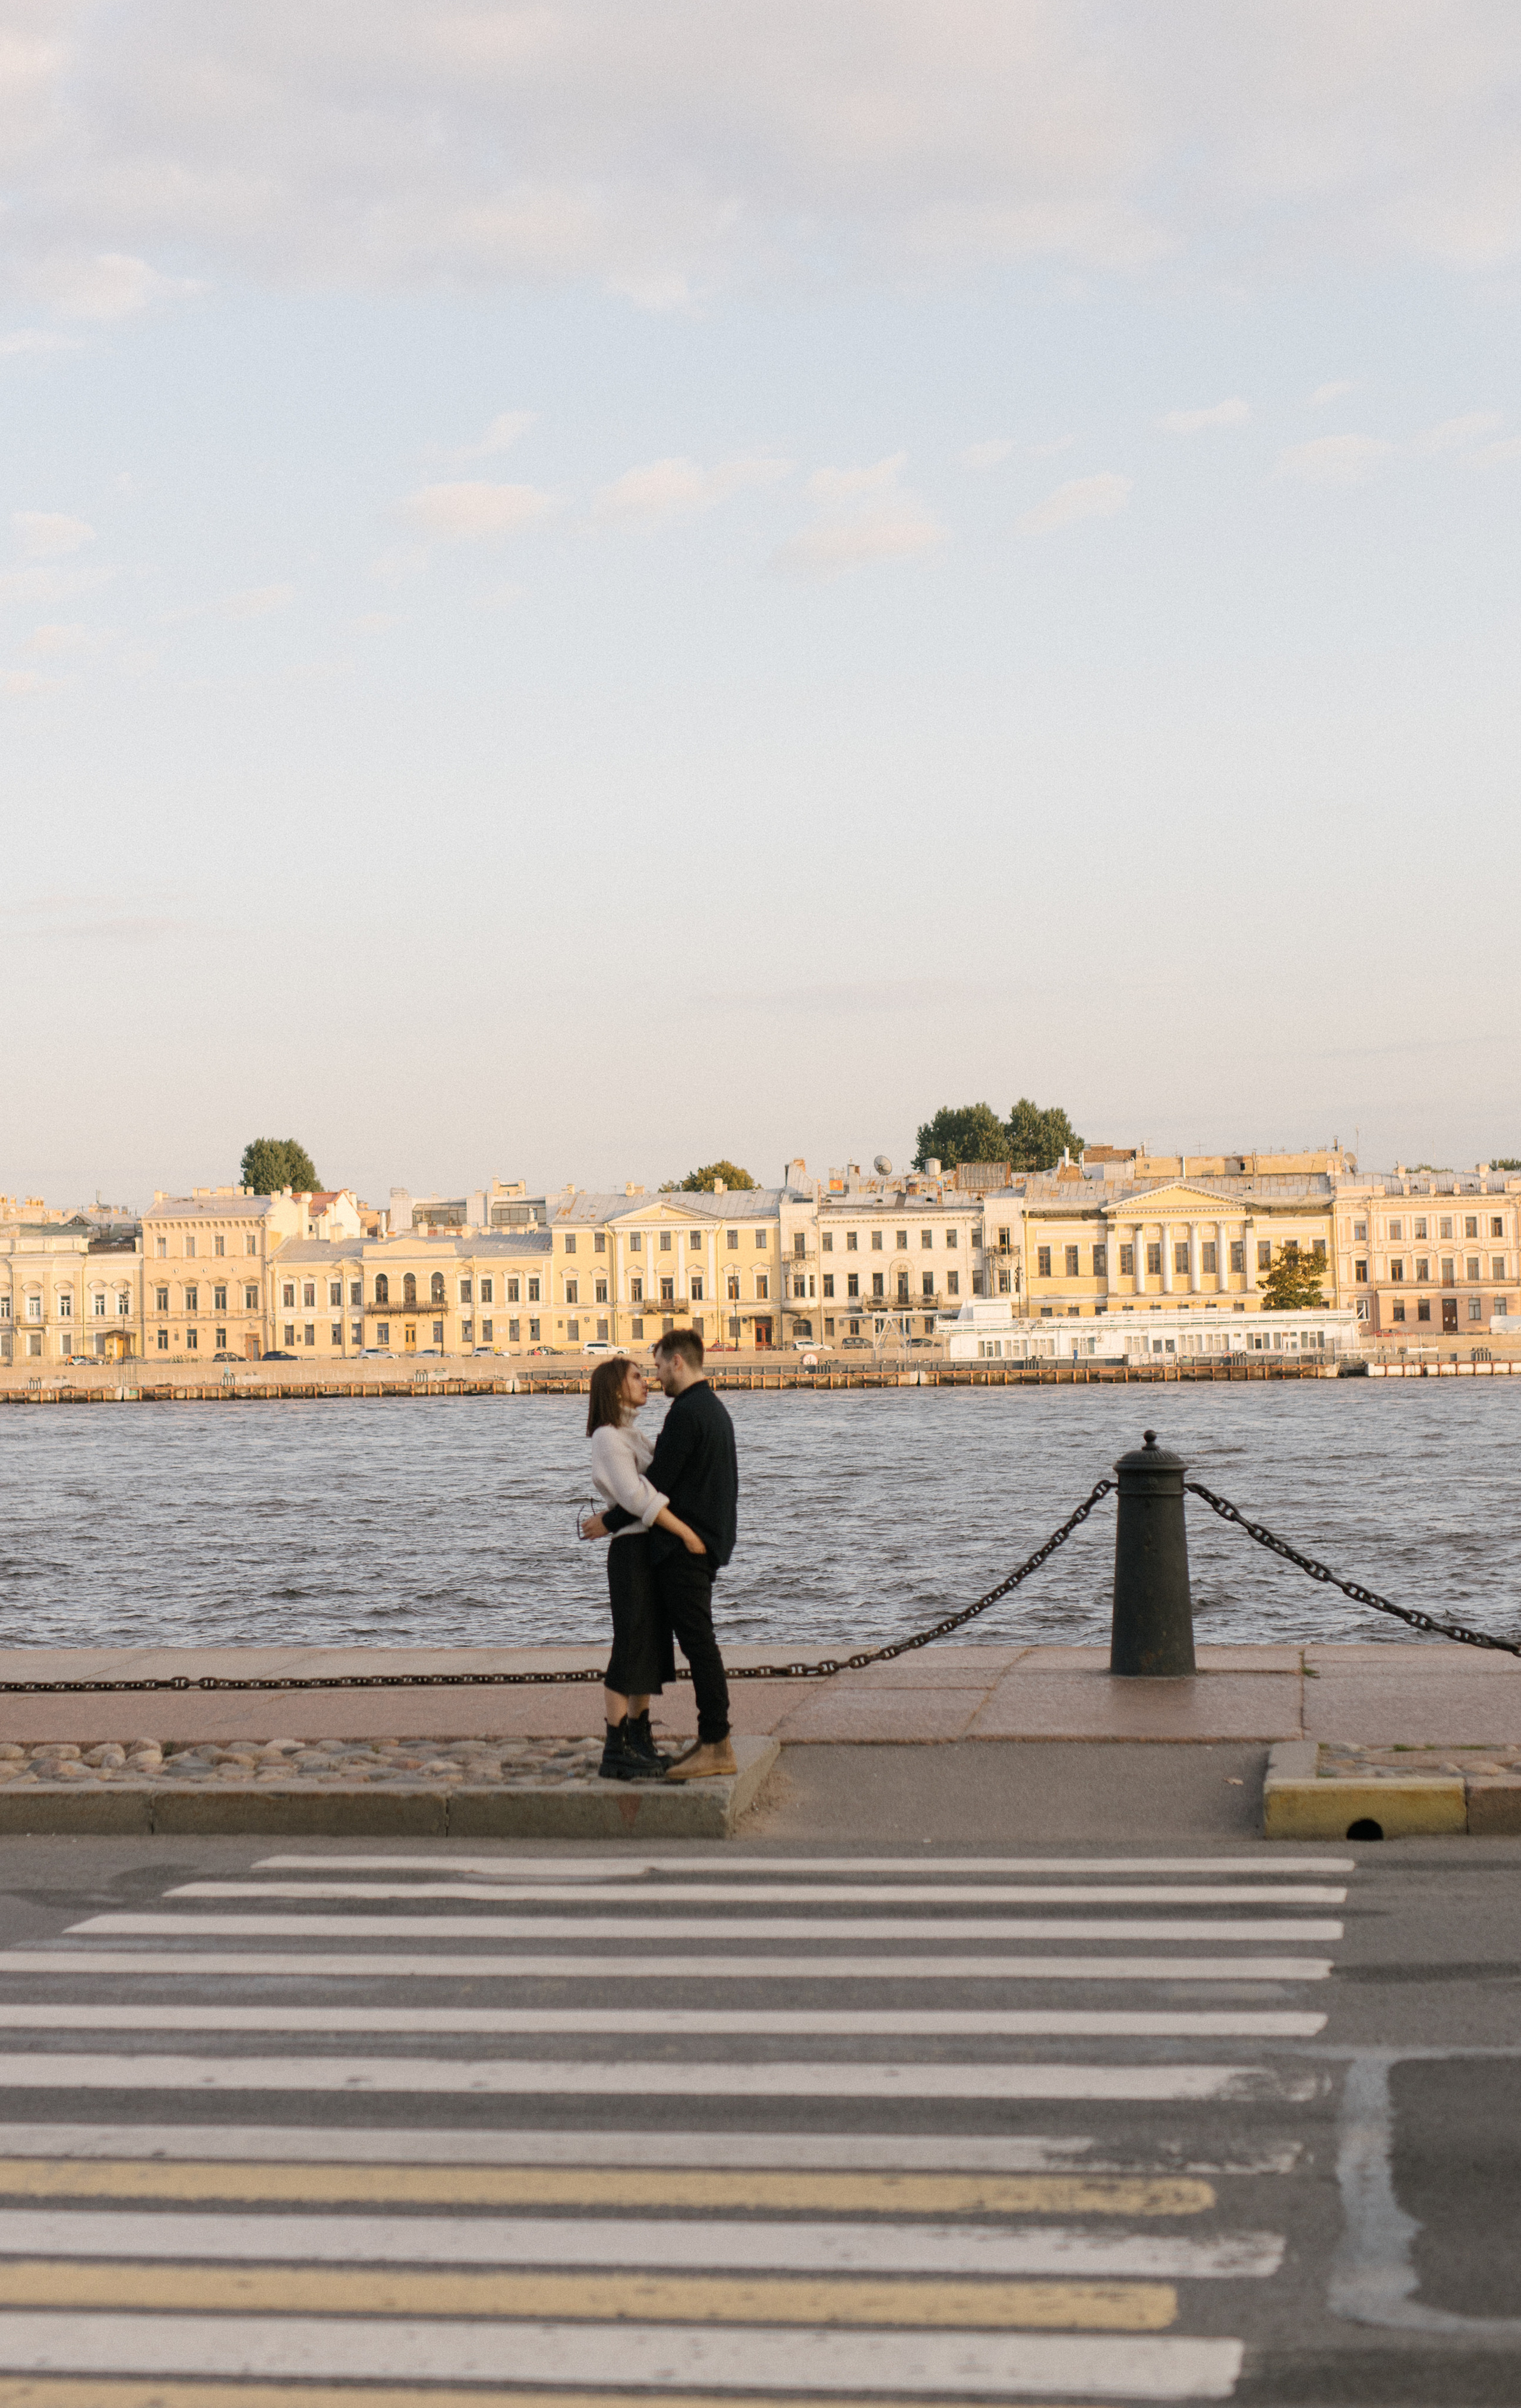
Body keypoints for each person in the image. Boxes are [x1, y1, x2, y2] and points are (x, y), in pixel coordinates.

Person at [586, 1327, 739, 1781]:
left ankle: (711, 1741)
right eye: (640, 1374)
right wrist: (693, 1535)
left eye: (653, 1368)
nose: (652, 1378)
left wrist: (690, 1537)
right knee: (646, 1647)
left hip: (682, 1546)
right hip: (662, 1546)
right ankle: (639, 1743)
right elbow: (644, 1492)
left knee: (688, 1646)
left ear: (677, 1362)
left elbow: (657, 1485)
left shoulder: (685, 1414)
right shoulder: (704, 1410)